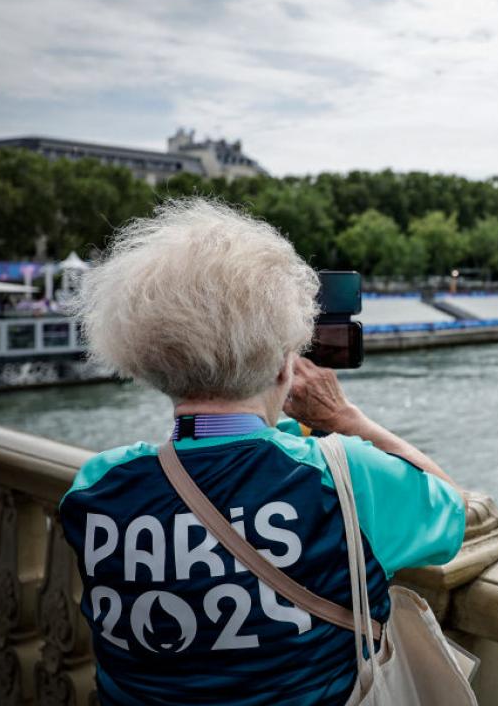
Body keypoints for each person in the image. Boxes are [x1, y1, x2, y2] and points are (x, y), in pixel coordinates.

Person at [59, 199, 466, 705]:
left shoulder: (97, 484)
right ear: (283, 365)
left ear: (147, 364)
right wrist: (344, 418)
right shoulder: (343, 476)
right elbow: (451, 511)